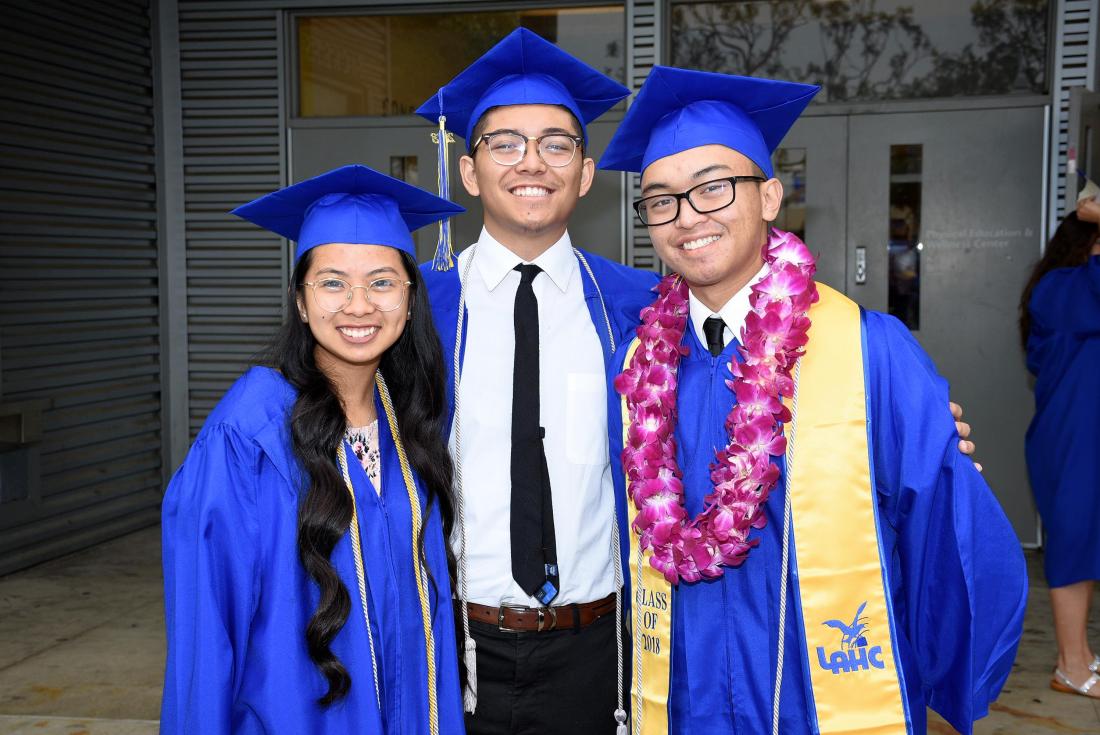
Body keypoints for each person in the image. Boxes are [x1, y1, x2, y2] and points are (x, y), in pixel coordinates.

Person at [598, 66, 1027, 735]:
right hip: (687, 700)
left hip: (826, 700)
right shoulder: (637, 370)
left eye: (714, 187)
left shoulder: (868, 349)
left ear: (770, 196)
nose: (688, 217)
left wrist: (946, 687)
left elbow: (950, 530)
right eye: (662, 200)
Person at [160, 165, 466, 733]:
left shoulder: (405, 420)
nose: (358, 305)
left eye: (381, 281)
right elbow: (207, 633)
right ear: (301, 301)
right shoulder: (249, 433)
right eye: (331, 282)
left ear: (409, 296)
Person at [413, 28, 659, 735]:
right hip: (453, 641)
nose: (532, 162)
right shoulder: (416, 307)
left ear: (585, 173)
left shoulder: (639, 307)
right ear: (468, 170)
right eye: (506, 143)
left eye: (557, 143)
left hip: (597, 651)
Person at [1020, 195, 1100, 700]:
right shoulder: (1061, 287)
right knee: (1075, 544)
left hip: (1083, 433)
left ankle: (1083, 656)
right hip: (1072, 437)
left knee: (1089, 542)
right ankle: (1071, 664)